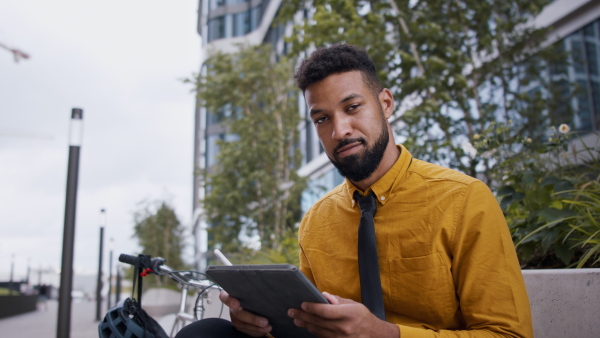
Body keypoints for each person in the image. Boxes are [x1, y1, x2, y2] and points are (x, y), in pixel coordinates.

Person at [177, 44, 533, 337]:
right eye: (322, 119)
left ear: (386, 104)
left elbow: (509, 334)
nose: (339, 130)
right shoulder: (316, 221)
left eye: (352, 108)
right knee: (207, 333)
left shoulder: (464, 200)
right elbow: (306, 321)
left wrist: (388, 334)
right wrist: (261, 324)